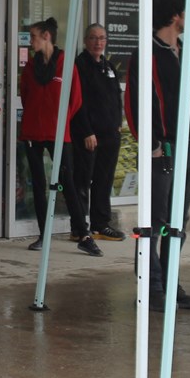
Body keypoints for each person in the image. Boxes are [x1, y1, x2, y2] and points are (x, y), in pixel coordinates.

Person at [124, 0, 190, 311]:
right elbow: (133, 101)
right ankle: (152, 285)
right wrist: (152, 142)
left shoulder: (181, 49)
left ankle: (170, 283)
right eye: (187, 10)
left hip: (186, 146)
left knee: (177, 221)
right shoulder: (147, 51)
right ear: (174, 15)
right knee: (154, 219)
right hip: (162, 149)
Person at [20, 17, 100, 256]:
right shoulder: (31, 67)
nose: (31, 40)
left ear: (46, 36)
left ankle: (83, 235)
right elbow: (25, 95)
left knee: (68, 184)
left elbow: (75, 100)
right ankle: (43, 234)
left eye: (33, 36)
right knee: (38, 184)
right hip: (33, 131)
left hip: (58, 132)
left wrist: (58, 120)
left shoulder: (66, 64)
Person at [72, 24, 126, 242]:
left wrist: (118, 124)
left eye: (102, 38)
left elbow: (114, 97)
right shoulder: (79, 65)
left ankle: (100, 224)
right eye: (93, 38)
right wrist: (87, 131)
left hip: (110, 134)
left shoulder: (108, 65)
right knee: (82, 181)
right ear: (85, 41)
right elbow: (78, 103)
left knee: (104, 181)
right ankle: (78, 228)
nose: (98, 42)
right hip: (89, 135)